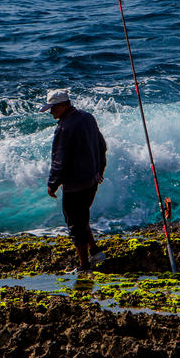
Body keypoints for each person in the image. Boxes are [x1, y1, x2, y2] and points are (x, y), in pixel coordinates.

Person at [42, 88, 108, 272]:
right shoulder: (87, 117)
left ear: (64, 105)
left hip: (75, 185)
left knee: (74, 223)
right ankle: (95, 251)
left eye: (54, 108)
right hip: (91, 180)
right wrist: (100, 170)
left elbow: (59, 160)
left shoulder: (64, 127)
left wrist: (52, 184)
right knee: (82, 216)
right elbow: (101, 145)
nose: (51, 112)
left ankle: (84, 265)